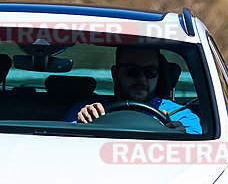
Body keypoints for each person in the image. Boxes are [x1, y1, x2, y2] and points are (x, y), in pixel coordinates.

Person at [65, 47, 202, 134]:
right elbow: (64, 144)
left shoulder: (182, 117)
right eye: (132, 71)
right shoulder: (88, 111)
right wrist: (81, 123)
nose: (142, 79)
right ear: (115, 74)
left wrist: (180, 137)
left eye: (150, 72)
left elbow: (199, 153)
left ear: (158, 75)